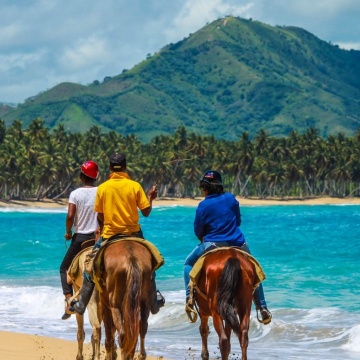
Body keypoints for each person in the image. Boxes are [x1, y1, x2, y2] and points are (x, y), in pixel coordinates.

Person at [70, 152, 165, 315]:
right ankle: (154, 300)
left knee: (90, 267)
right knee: (151, 262)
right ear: (125, 167)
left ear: (109, 168)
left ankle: (81, 304)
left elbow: (99, 214)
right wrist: (151, 197)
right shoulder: (134, 186)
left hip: (110, 235)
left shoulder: (103, 188)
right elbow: (146, 212)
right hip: (134, 234)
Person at [184, 170, 272, 325]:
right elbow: (237, 221)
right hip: (238, 243)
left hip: (212, 244)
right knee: (254, 270)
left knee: (188, 263)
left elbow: (198, 230)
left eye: (202, 186)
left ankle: (189, 299)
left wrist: (205, 236)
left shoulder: (203, 205)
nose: (202, 189)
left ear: (206, 188)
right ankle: (262, 307)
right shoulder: (231, 198)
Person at [59, 160, 99, 320]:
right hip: (97, 238)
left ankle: (69, 301)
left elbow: (70, 216)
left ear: (82, 176)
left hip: (81, 237)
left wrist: (68, 232)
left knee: (63, 269)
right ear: (95, 177)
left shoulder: (75, 194)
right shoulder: (101, 191)